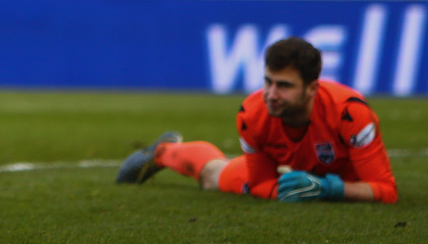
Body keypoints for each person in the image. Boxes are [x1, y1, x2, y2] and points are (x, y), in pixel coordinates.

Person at [116, 37, 397, 203]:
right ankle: (165, 151)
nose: (271, 95)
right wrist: (290, 191)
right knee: (215, 178)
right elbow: (261, 183)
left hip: (343, 179)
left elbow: (386, 191)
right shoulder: (252, 115)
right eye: (268, 82)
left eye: (284, 86)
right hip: (292, 172)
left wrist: (328, 189)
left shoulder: (351, 113)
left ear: (313, 88)